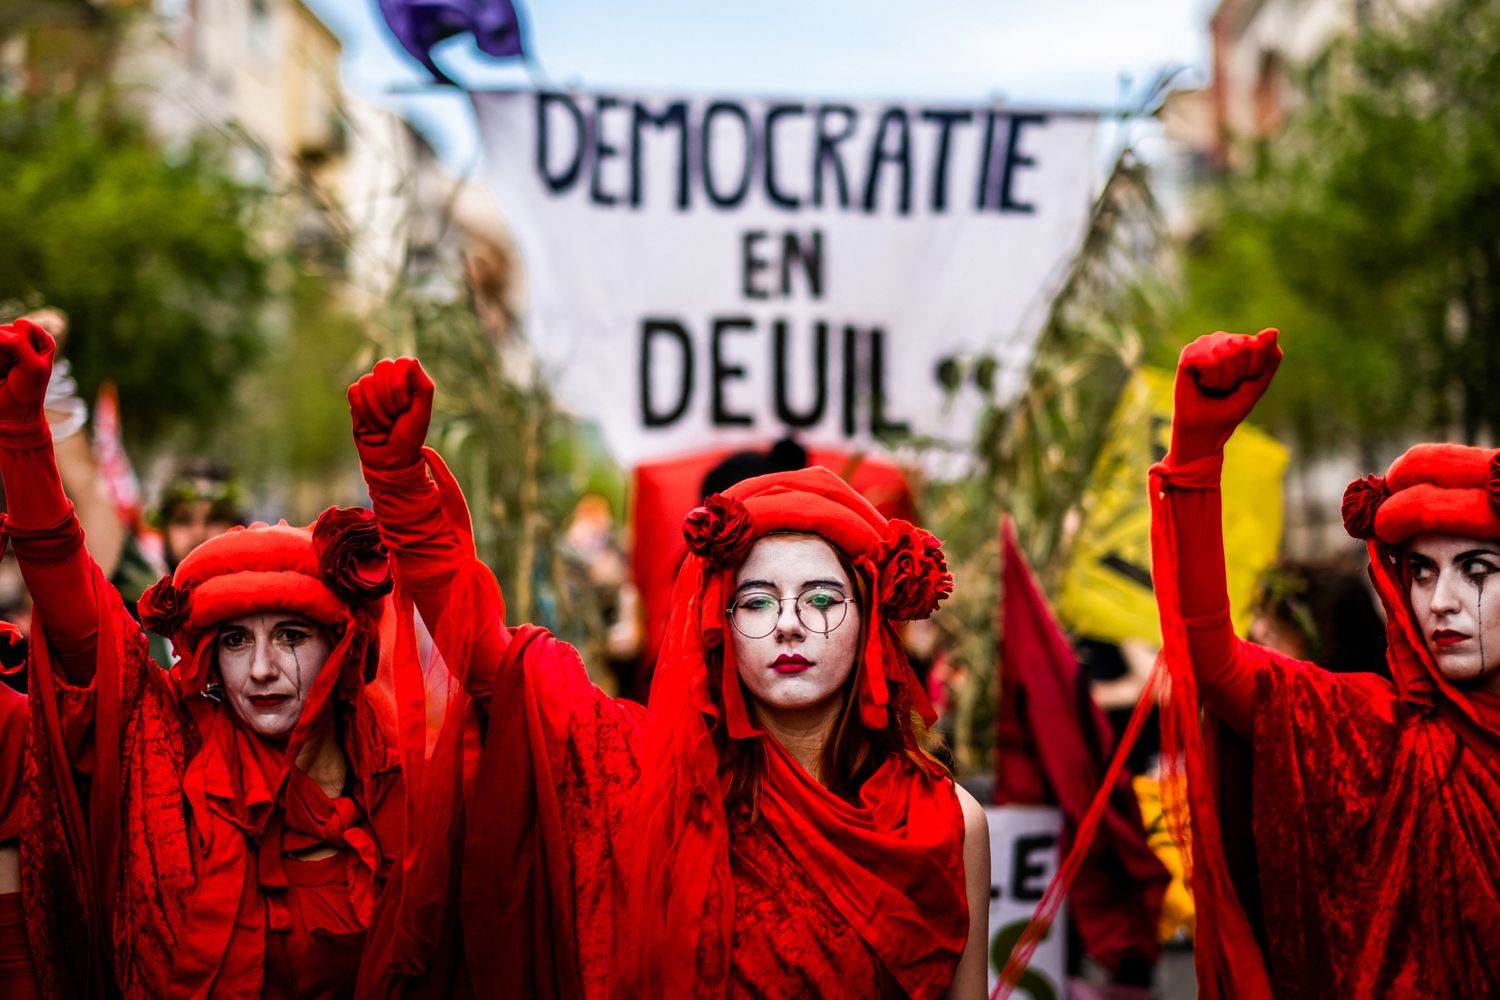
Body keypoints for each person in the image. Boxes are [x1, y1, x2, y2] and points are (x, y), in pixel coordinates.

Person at [345, 358, 991, 998]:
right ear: (717, 625)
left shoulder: (948, 822)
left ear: (870, 625)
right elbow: (489, 656)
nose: (790, 625)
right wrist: (402, 490)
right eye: (757, 602)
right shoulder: (644, 777)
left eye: (822, 599)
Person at [1, 318, 465, 998]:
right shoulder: (168, 752)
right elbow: (74, 605)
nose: (262, 670)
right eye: (235, 641)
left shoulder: (404, 780)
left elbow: (489, 665)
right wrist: (21, 434)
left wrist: (402, 485)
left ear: (340, 648)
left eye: (292, 636)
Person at [1150, 328, 1500, 998]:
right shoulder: (1371, 734)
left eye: (1477, 570)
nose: (1441, 602)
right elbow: (1213, 663)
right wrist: (1195, 458)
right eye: (1421, 573)